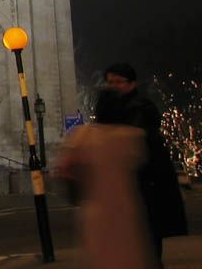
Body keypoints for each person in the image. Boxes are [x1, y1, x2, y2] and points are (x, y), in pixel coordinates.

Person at [57, 89, 156, 269]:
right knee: (130, 257)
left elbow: (66, 174)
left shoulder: (82, 137)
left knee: (100, 258)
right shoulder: (132, 136)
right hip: (126, 209)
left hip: (95, 212)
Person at [104, 62, 187, 265]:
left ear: (131, 84)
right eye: (109, 82)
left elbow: (135, 144)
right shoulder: (118, 108)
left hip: (147, 185)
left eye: (118, 82)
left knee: (147, 245)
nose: (113, 86)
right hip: (134, 186)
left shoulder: (140, 107)